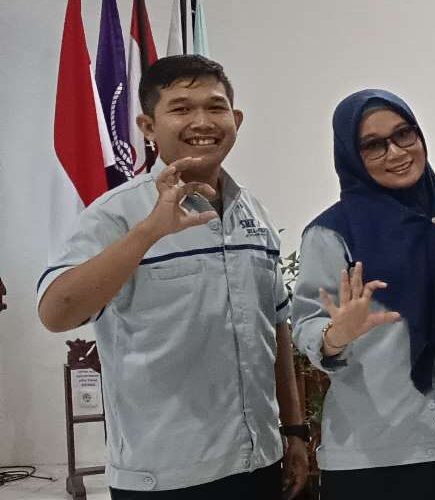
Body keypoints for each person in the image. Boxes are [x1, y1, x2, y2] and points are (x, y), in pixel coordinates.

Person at [37, 54, 309, 499]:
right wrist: (148, 233)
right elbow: (56, 312)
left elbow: (275, 327)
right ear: (148, 126)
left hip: (259, 461)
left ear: (235, 119)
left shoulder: (253, 212)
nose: (202, 121)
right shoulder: (116, 214)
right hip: (166, 476)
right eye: (181, 108)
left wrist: (293, 430)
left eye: (215, 107)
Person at [293, 89, 435, 499]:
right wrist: (338, 334)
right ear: (350, 156)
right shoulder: (331, 233)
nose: (395, 152)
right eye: (373, 145)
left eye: (404, 134)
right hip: (374, 450)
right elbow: (307, 324)